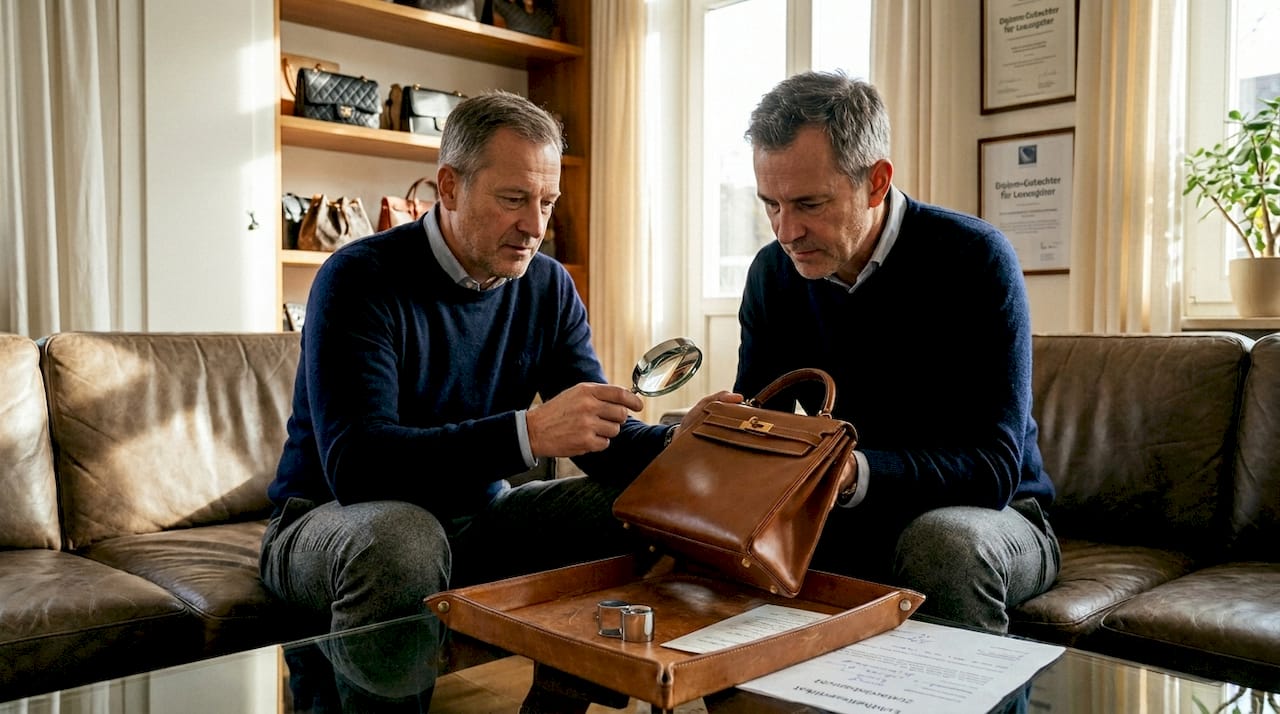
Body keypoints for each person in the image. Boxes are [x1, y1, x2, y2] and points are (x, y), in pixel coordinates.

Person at [260, 90, 725, 712]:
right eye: (514, 199)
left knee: (640, 506)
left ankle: (553, 708)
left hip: (475, 522)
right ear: (448, 188)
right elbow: (357, 465)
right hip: (328, 521)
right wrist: (527, 435)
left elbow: (599, 443)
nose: (535, 226)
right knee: (403, 537)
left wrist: (688, 445)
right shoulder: (358, 277)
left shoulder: (548, 285)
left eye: (547, 202)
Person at [737, 71, 1060, 633]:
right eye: (771, 205)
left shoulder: (975, 260)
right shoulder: (773, 274)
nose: (786, 230)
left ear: (877, 182)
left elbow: (995, 469)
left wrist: (853, 472)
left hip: (998, 517)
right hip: (840, 516)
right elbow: (761, 423)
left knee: (942, 544)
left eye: (809, 204)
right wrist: (726, 436)